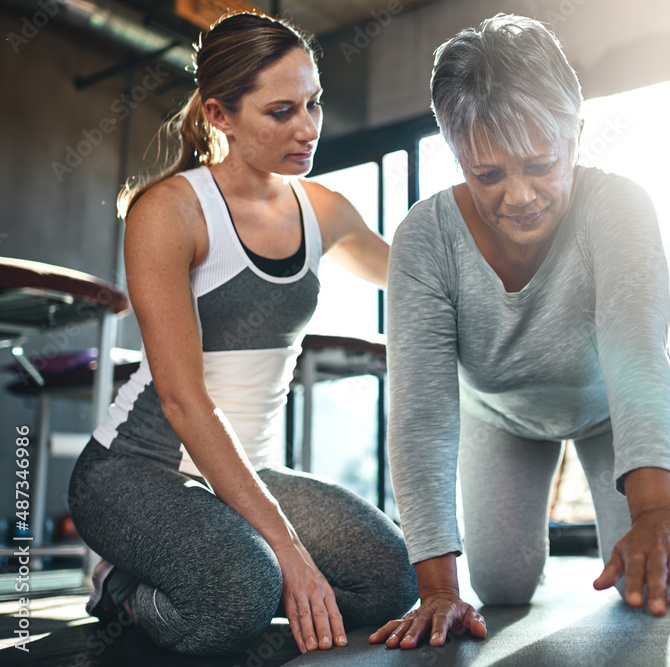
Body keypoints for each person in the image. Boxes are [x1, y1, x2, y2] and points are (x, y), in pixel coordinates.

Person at [67, 12, 417, 656]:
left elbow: (412, 275)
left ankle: (237, 571)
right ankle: (123, 586)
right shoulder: (170, 211)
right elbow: (182, 400)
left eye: (313, 104)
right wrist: (286, 549)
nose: (308, 127)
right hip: (136, 469)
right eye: (281, 111)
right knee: (237, 599)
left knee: (389, 577)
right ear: (219, 116)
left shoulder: (324, 211)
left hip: (245, 474)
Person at [370, 14, 670, 650]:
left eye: (539, 164)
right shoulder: (425, 239)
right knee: (501, 588)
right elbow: (421, 417)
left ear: (576, 136)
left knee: (650, 588)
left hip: (608, 409)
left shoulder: (619, 208)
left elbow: (637, 355)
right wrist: (438, 588)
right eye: (488, 174)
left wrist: (660, 511)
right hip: (500, 416)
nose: (519, 196)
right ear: (456, 156)